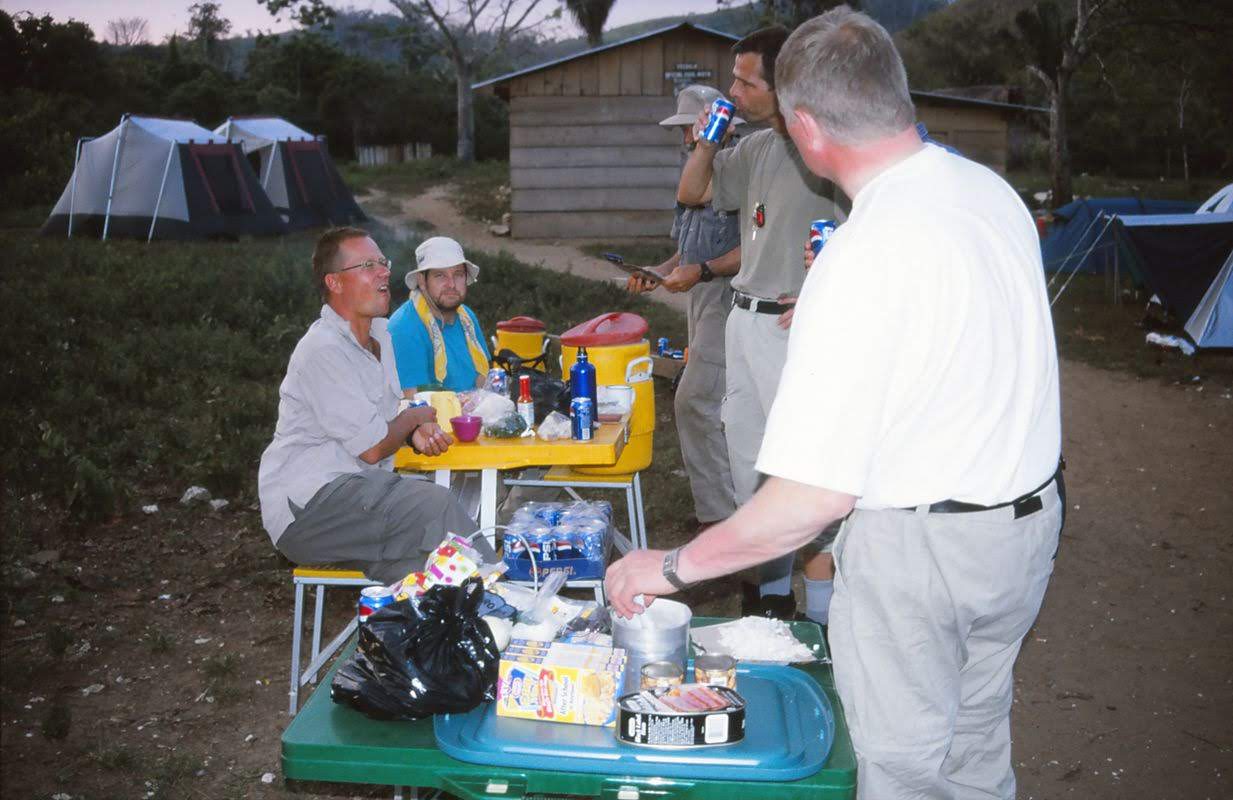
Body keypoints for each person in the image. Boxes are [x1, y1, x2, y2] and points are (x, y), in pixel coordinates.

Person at [606, 8, 1063, 800]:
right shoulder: (984, 190)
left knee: (901, 767)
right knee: (976, 743)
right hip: (1021, 529)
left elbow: (809, 500)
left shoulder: (861, 253)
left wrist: (671, 567)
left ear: (806, 129)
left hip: (923, 553)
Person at [677, 25, 848, 622]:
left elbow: (867, 233)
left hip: (793, 330)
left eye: (746, 81)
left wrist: (834, 289)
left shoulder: (828, 151)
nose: (734, 90)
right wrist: (704, 142)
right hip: (743, 322)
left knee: (807, 469)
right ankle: (773, 607)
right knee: (751, 469)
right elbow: (692, 192)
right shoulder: (755, 149)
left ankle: (825, 613)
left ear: (784, 85)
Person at [259, 227, 491, 584]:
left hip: (358, 495)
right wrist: (416, 416)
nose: (384, 272)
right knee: (435, 505)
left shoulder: (380, 336)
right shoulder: (323, 349)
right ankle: (509, 602)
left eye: (383, 263)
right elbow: (371, 447)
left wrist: (413, 431)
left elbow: (386, 417)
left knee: (431, 565)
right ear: (335, 283)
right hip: (311, 507)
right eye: (368, 265)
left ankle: (434, 629)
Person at [627, 83, 741, 531]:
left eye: (689, 128)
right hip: (700, 296)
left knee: (695, 400)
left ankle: (721, 523)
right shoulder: (693, 170)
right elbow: (687, 248)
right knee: (714, 405)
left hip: (727, 299)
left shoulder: (739, 169)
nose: (684, 138)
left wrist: (704, 271)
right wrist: (660, 269)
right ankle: (726, 509)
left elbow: (759, 248)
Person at [388, 236, 491, 394]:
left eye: (458, 274)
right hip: (434, 417)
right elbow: (413, 401)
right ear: (422, 281)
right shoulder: (405, 327)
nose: (451, 284)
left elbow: (483, 380)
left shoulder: (467, 318)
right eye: (440, 275)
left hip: (474, 414)